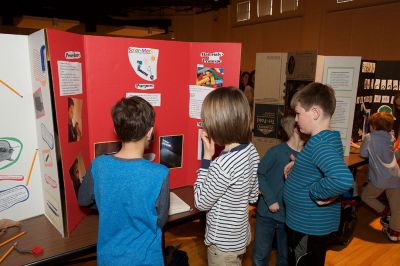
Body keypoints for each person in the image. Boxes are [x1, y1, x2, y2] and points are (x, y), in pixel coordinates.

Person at [78, 96, 170, 266]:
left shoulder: (98, 165)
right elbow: (161, 220)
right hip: (147, 259)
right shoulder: (160, 173)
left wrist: (107, 203)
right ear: (150, 132)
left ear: (116, 129)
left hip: (109, 258)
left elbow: (83, 199)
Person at [283, 82, 354, 266]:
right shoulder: (325, 139)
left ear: (315, 112)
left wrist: (316, 192)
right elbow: (320, 166)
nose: (296, 120)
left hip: (307, 226)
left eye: (298, 113)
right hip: (307, 224)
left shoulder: (319, 145)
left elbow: (343, 179)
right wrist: (298, 165)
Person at [194, 87, 259, 266]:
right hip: (239, 237)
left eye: (206, 120)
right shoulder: (251, 150)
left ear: (218, 124)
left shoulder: (222, 164)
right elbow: (253, 195)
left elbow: (200, 202)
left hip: (222, 246)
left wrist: (207, 158)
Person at [252, 111, 306, 266]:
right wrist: (270, 200)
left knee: (285, 257)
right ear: (296, 129)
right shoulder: (275, 152)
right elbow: (259, 175)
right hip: (266, 215)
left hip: (289, 218)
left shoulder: (307, 156)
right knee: (260, 256)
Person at [359, 112, 400, 242]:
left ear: (373, 126)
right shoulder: (390, 136)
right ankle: (394, 233)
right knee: (397, 207)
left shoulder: (369, 137)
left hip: (380, 178)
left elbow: (363, 153)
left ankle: (384, 212)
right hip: (395, 175)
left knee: (366, 196)